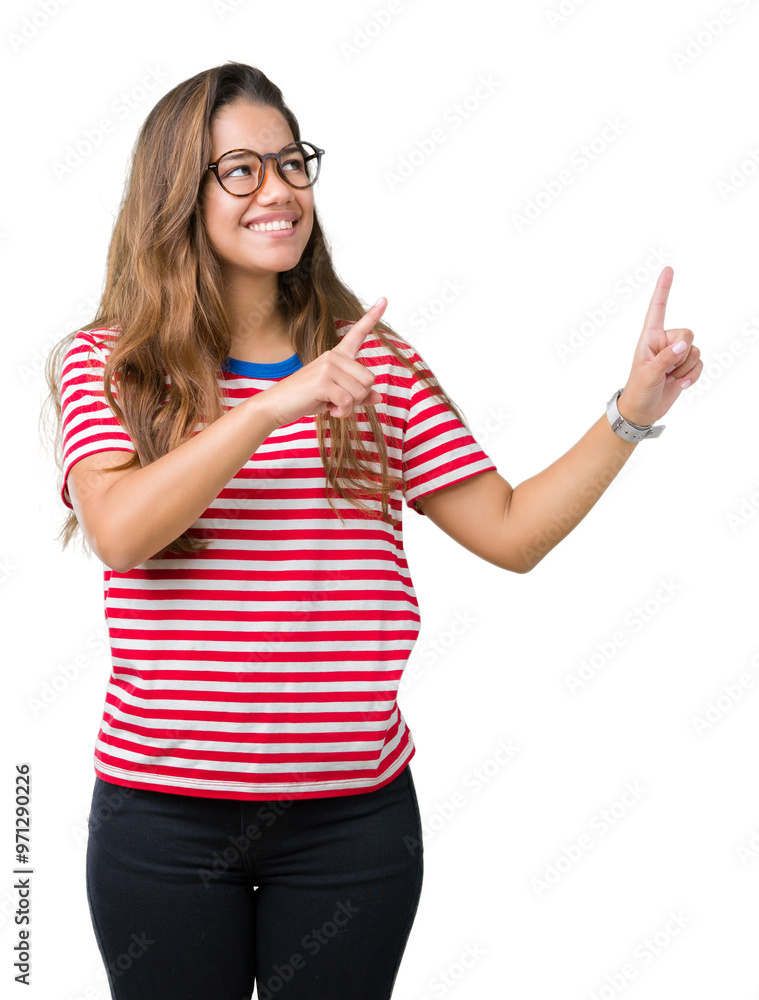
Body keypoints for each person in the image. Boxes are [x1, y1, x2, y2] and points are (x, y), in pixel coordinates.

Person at [43, 61, 701, 1000]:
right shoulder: (112, 362)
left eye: (290, 162)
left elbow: (510, 532)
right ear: (176, 195)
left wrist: (629, 413)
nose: (278, 189)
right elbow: (118, 533)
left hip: (351, 825)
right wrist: (276, 404)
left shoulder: (372, 364)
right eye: (240, 170)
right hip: (162, 822)